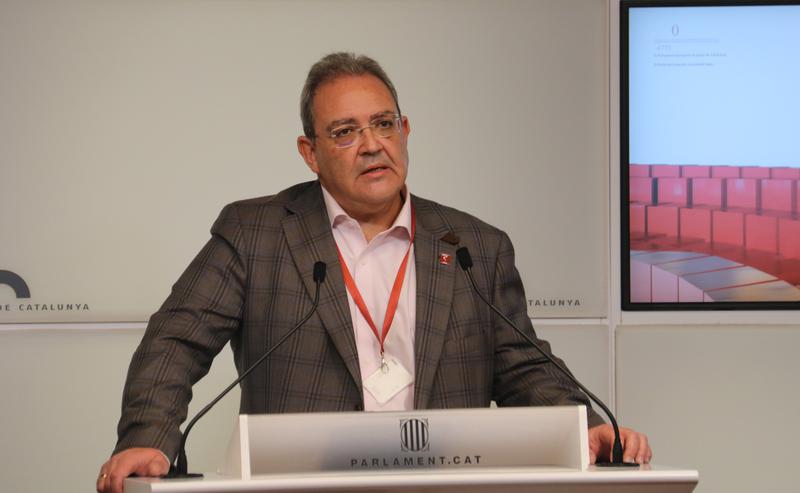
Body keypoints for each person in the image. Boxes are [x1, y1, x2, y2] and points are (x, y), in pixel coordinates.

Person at [97, 52, 651, 493]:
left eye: (383, 124)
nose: (371, 145)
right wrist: (149, 439)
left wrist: (585, 430)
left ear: (405, 129)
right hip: (300, 490)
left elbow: (524, 367)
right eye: (344, 132)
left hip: (444, 487)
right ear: (309, 153)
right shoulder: (257, 234)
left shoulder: (475, 246)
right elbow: (176, 339)